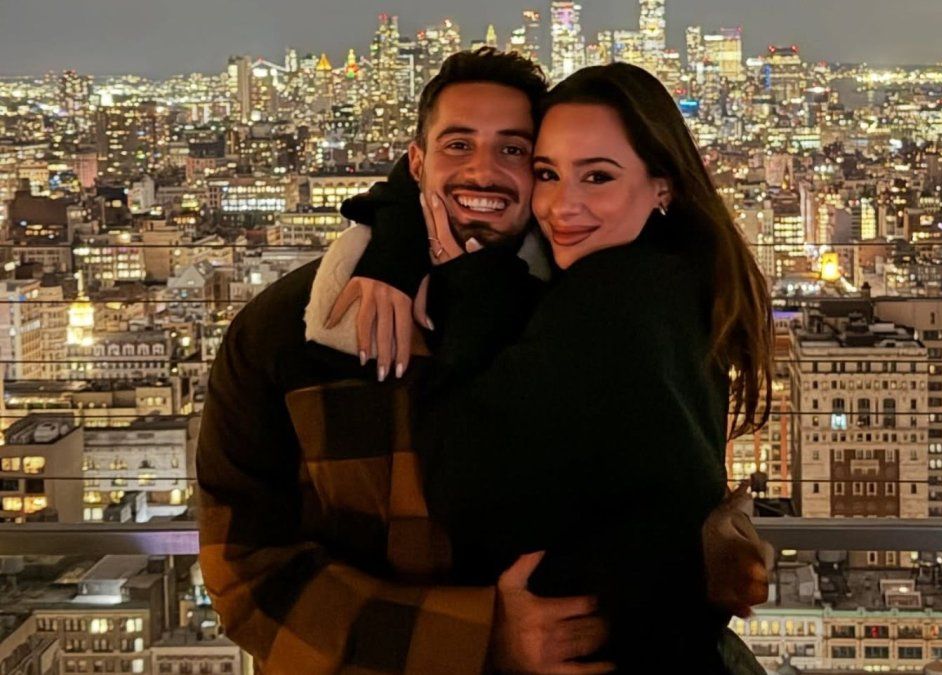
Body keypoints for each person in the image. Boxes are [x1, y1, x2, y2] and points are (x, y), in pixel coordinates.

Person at [197, 48, 769, 675]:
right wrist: (477, 638)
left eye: (515, 150)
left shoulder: (585, 296)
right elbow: (246, 576)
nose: (484, 171)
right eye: (458, 145)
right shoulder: (288, 334)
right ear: (417, 162)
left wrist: (704, 542)